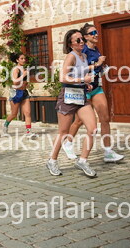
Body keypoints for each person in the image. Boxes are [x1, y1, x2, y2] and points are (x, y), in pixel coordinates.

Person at [62, 24, 124, 163]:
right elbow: (78, 69)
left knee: (105, 118)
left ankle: (108, 152)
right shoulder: (82, 50)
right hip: (83, 90)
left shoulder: (95, 49)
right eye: (92, 33)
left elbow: (95, 68)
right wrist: (95, 66)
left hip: (95, 88)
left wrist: (102, 68)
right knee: (78, 121)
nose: (96, 34)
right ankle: (68, 143)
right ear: (85, 37)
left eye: (96, 32)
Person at [46, 29, 98, 178]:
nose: (82, 42)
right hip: (68, 97)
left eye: (82, 39)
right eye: (78, 40)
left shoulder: (84, 56)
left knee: (93, 129)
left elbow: (79, 74)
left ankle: (82, 161)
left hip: (81, 96)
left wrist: (85, 84)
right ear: (70, 44)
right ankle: (52, 160)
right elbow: (63, 78)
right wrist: (81, 80)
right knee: (63, 133)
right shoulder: (71, 56)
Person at [2, 53, 38, 139]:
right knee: (14, 114)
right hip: (16, 93)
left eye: (24, 58)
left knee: (27, 113)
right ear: (17, 60)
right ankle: (5, 126)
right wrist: (24, 75)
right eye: (21, 58)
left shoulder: (24, 69)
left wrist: (26, 83)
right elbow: (15, 82)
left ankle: (28, 132)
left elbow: (24, 81)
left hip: (24, 93)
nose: (24, 60)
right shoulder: (16, 69)